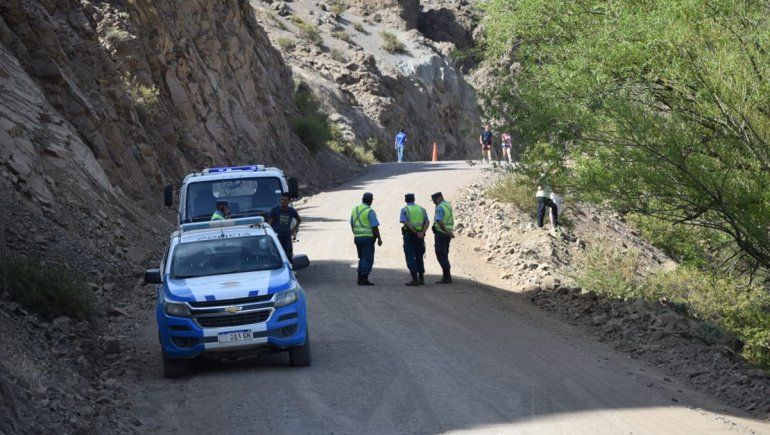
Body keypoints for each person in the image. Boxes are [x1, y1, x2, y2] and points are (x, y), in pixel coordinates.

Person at [350, 192, 383, 285]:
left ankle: (360, 277)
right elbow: (374, 226)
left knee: (361, 258)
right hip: (367, 238)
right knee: (367, 259)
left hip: (358, 238)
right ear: (371, 201)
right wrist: (379, 238)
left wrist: (355, 234)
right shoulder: (369, 211)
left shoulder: (355, 209)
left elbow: (352, 224)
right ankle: (364, 279)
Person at [400, 193, 429, 286]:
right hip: (420, 236)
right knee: (419, 256)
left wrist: (415, 232)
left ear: (406, 200)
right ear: (414, 199)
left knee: (410, 256)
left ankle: (414, 279)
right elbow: (427, 221)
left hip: (410, 235)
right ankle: (421, 278)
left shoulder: (404, 210)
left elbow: (405, 222)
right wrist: (422, 232)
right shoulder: (422, 209)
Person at [268, 193, 301, 263]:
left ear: (289, 201)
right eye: (282, 199)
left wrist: (293, 230)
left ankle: (290, 268)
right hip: (276, 236)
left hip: (286, 236)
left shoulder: (291, 211)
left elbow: (299, 220)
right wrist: (270, 234)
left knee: (287, 254)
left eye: (285, 200)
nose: (282, 201)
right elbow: (269, 223)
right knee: (276, 254)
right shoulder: (275, 210)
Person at [431, 192, 454, 284]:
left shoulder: (440, 207)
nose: (434, 202)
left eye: (434, 200)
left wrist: (445, 231)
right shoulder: (447, 205)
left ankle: (447, 277)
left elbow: (439, 220)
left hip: (441, 232)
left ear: (439, 198)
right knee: (445, 253)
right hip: (447, 233)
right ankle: (446, 276)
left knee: (440, 253)